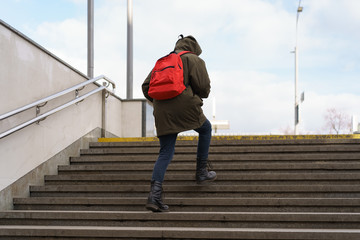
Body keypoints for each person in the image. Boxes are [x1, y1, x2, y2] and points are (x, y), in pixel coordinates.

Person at [142, 35, 216, 212]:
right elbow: (204, 88)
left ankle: (154, 196)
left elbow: (146, 87)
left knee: (166, 151)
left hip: (162, 109)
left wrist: (161, 101)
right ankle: (201, 172)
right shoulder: (193, 59)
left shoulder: (163, 60)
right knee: (205, 129)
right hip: (185, 103)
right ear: (194, 48)